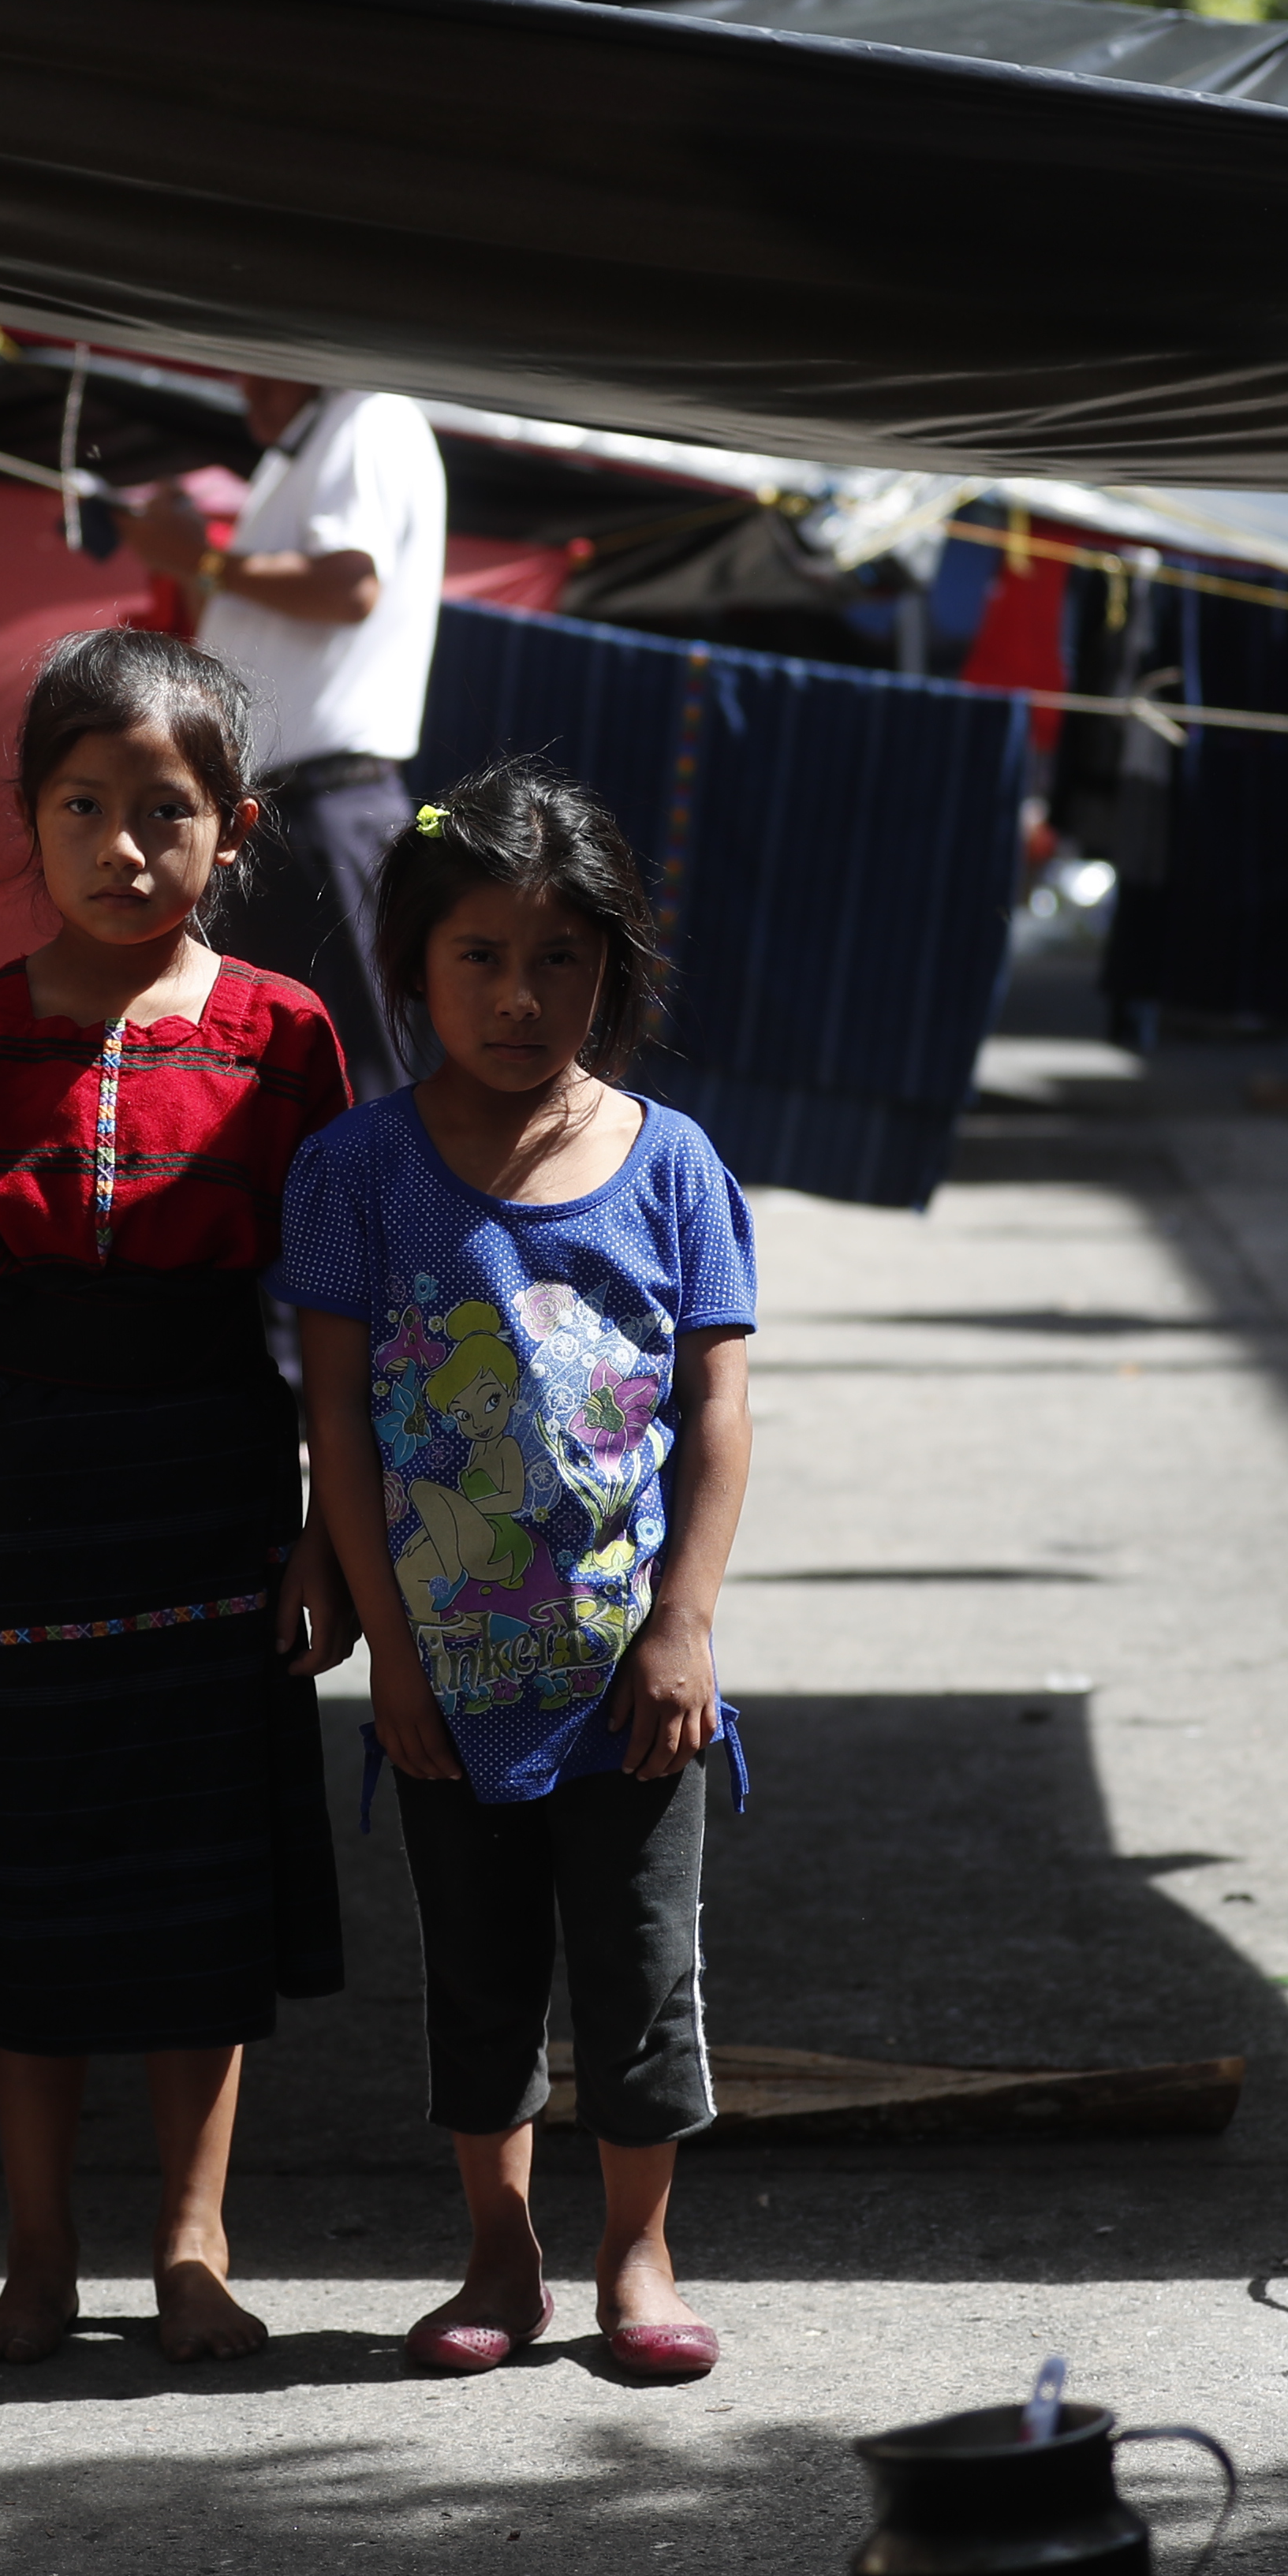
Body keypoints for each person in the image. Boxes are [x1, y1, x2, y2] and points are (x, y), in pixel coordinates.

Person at [0, 627, 357, 2367]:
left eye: (167, 810)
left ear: (236, 828)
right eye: (86, 806)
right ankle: (35, 2251)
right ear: (27, 822)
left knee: (201, 1889)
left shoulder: (286, 1038)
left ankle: (190, 2243)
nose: (127, 846)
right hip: (19, 1496)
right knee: (30, 1888)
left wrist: (324, 1537)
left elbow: (338, 1318)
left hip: (211, 1477)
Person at [278, 761, 757, 2385]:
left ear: (612, 972)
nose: (519, 993)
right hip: (448, 1681)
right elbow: (336, 1420)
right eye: (478, 954)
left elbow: (719, 1415)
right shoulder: (358, 1173)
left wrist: (683, 1625)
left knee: (637, 1975)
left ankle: (639, 2249)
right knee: (480, 1980)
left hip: (632, 1678)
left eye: (560, 958)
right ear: (411, 963)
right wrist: (387, 1655)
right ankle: (500, 2248)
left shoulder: (674, 1164)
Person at [121, 379, 446, 1100]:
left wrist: (204, 561)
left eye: (263, 368)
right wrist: (191, 561)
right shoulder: (297, 455)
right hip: (276, 808)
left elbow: (348, 588)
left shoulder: (368, 415)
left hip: (328, 805)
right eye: (238, 371)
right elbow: (262, 624)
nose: (247, 389)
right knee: (260, 1072)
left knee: (357, 1072)